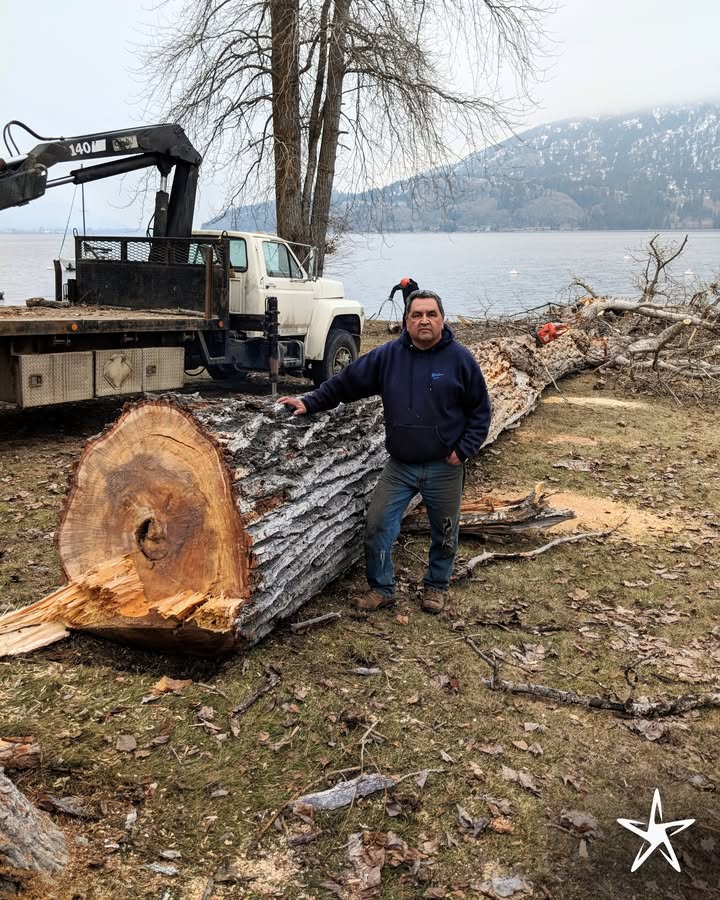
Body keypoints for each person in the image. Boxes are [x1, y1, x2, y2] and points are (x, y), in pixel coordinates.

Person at [278, 289, 492, 615]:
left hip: (444, 465)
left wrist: (463, 451)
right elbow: (346, 383)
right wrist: (309, 401)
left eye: (430, 314)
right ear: (406, 321)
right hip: (401, 465)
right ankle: (382, 588)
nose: (424, 321)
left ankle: (436, 586)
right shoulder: (388, 357)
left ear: (442, 319)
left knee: (446, 531)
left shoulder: (459, 360)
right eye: (416, 315)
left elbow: (480, 410)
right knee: (377, 524)